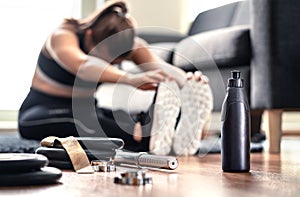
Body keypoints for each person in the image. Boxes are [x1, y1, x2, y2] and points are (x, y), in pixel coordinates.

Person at [18, 0, 212, 155]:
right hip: (42, 110)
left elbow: (158, 67)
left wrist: (188, 81)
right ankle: (145, 136)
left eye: (116, 61)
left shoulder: (130, 43)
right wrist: (130, 78)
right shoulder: (63, 36)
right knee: (81, 124)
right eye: (107, 59)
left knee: (114, 118)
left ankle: (154, 129)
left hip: (90, 109)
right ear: (90, 35)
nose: (111, 65)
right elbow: (84, 66)